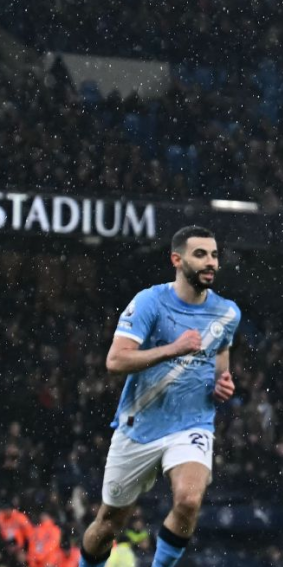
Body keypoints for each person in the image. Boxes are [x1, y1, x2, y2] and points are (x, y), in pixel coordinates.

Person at [78, 226, 240, 567]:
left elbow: (219, 373)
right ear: (176, 259)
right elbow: (115, 361)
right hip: (139, 426)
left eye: (214, 255)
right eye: (200, 255)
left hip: (192, 424)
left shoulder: (227, 313)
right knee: (108, 526)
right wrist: (173, 349)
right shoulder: (150, 301)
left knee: (188, 500)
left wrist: (222, 387)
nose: (210, 263)